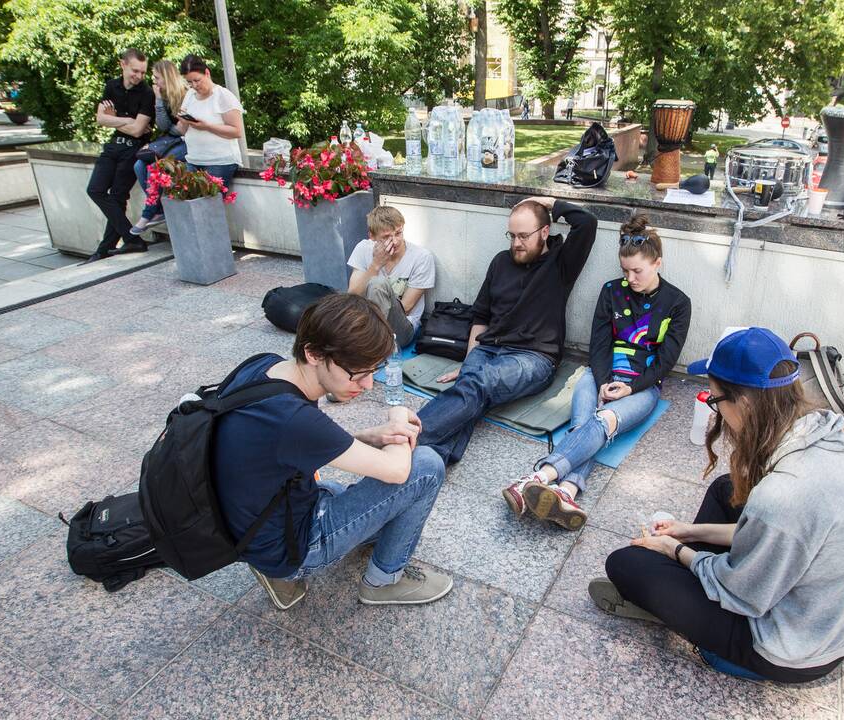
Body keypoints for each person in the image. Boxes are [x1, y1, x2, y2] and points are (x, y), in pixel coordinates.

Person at [589, 327, 844, 684]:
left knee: (625, 564)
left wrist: (674, 550)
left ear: (745, 402)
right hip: (824, 619)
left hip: (792, 651)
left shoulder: (783, 497)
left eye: (715, 401)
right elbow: (774, 535)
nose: (715, 411)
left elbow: (741, 592)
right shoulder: (830, 438)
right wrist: (688, 531)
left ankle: (700, 631)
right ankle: (683, 588)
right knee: (726, 488)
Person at [214, 293, 452, 611]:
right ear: (313, 353)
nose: (367, 385)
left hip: (255, 522)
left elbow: (288, 447)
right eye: (357, 373)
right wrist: (396, 411)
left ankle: (275, 562)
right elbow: (398, 472)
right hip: (290, 545)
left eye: (373, 371)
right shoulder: (294, 420)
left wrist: (369, 436)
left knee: (371, 499)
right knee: (426, 465)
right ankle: (384, 580)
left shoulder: (266, 367)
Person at [503, 214, 691, 529]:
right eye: (625, 270)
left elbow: (665, 362)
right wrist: (604, 381)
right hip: (602, 372)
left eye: (637, 271)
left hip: (643, 385)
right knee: (581, 426)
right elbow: (599, 345)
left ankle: (535, 478)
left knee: (602, 421)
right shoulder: (611, 291)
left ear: (657, 263)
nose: (630, 278)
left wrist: (629, 388)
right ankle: (567, 491)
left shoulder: (677, 303)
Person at [416, 196, 598, 465]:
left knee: (477, 383)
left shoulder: (562, 263)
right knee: (471, 384)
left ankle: (410, 436)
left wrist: (546, 202)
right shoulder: (501, 261)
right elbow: (481, 315)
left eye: (524, 236)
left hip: (533, 357)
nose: (516, 243)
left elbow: (587, 222)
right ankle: (438, 455)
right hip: (488, 348)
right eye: (511, 235)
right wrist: (469, 359)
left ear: (544, 232)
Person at [84, 48, 155, 262]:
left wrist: (115, 119)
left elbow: (138, 131)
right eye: (135, 71)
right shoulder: (111, 87)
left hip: (134, 149)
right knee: (95, 189)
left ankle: (105, 248)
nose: (139, 76)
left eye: (143, 72)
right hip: (114, 145)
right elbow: (100, 119)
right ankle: (131, 238)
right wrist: (128, 121)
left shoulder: (146, 93)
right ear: (122, 65)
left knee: (117, 195)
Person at [347, 206, 435, 349]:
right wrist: (375, 265)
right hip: (365, 323)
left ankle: (368, 347)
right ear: (372, 236)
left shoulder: (421, 257)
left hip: (401, 329)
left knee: (377, 284)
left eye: (398, 233)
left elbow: (406, 307)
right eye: (386, 237)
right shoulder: (363, 248)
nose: (395, 241)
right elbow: (352, 296)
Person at [130, 59, 189, 235]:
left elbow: (182, 130)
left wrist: (175, 129)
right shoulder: (161, 97)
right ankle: (158, 210)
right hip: (171, 140)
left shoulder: (185, 93)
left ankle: (148, 214)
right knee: (139, 165)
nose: (154, 81)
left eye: (157, 78)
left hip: (187, 142)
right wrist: (158, 101)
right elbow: (166, 127)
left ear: (167, 76)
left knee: (157, 166)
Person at [176, 54, 244, 188]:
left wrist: (207, 126)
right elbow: (181, 130)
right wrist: (183, 121)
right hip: (193, 158)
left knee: (208, 203)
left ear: (207, 73)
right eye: (189, 82)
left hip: (220, 161)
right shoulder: (190, 95)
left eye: (197, 80)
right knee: (188, 201)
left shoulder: (223, 96)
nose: (194, 85)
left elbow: (237, 131)